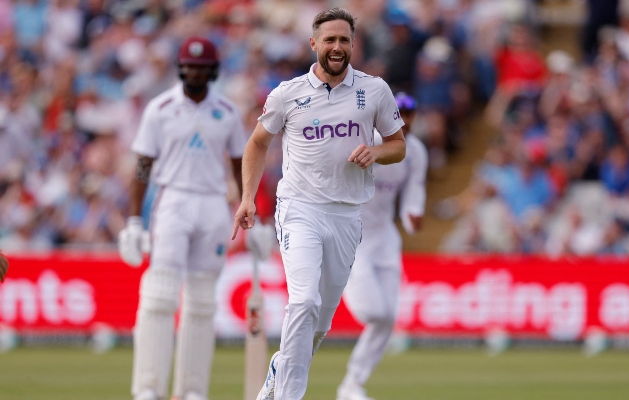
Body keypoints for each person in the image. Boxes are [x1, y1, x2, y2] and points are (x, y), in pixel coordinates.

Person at [231, 8, 406, 400]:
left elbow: (399, 145)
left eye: (344, 39)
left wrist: (376, 153)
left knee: (320, 323)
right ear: (314, 44)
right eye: (330, 40)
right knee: (304, 299)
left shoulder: (374, 90)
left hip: (347, 214)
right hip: (300, 209)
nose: (337, 47)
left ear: (353, 44)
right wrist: (246, 197)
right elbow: (257, 143)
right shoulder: (288, 94)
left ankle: (281, 364)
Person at [118, 37, 247, 400]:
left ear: (213, 70)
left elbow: (240, 163)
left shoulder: (226, 110)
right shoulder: (160, 109)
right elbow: (142, 166)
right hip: (172, 199)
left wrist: (251, 207)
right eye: (190, 66)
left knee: (203, 301)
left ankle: (192, 390)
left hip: (212, 204)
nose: (196, 72)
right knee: (159, 295)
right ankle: (148, 387)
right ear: (180, 68)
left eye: (203, 67)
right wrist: (133, 220)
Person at [337, 92, 427, 400]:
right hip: (356, 236)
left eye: (409, 112)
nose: (405, 117)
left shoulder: (416, 151)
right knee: (374, 312)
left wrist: (412, 214)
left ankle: (352, 385)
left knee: (388, 319)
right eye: (399, 111)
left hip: (386, 237)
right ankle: (337, 282)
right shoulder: (368, 140)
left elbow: (414, 191)